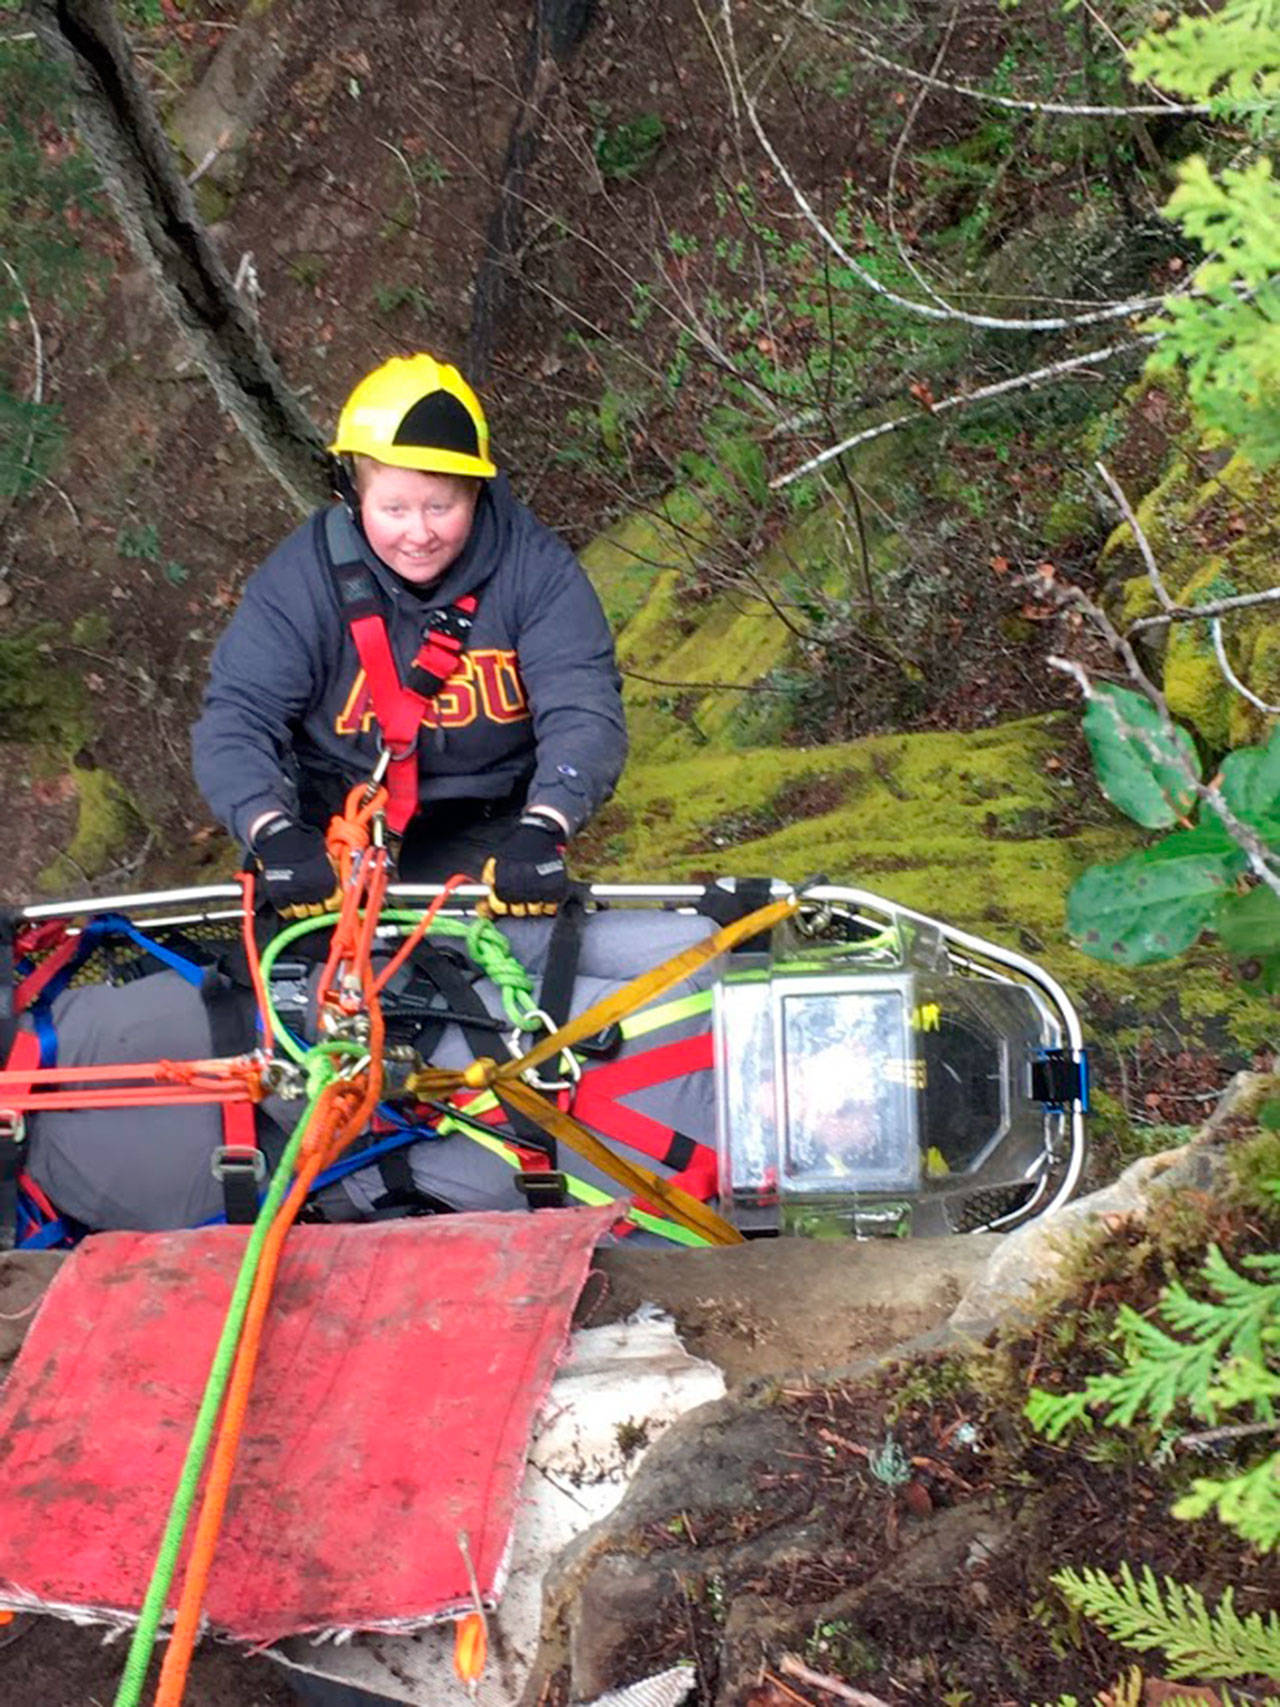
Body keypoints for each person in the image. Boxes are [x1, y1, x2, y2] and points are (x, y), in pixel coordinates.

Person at [192, 353, 626, 915]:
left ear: (476, 494)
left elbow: (583, 706)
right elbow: (237, 716)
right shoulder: (303, 578)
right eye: (393, 508)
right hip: (329, 830)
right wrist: (270, 829)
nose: (418, 534)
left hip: (483, 823)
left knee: (470, 977)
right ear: (351, 496)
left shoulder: (535, 570)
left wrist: (547, 824)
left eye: (440, 507)